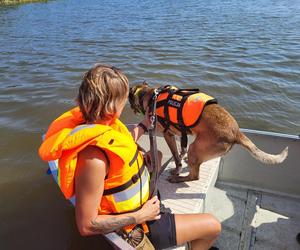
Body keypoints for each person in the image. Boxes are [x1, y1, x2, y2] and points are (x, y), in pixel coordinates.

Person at [39, 64, 221, 250]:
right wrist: (141, 215)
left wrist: (144, 124)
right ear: (113, 105)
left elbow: (124, 140)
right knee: (212, 225)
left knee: (155, 155)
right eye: (123, 99)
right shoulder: (93, 159)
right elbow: (86, 225)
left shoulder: (101, 124)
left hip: (145, 202)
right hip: (141, 222)